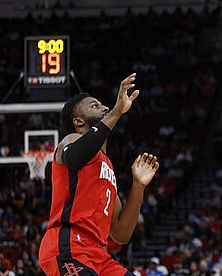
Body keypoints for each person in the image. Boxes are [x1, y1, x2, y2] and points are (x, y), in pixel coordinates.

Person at [38, 73, 161, 276]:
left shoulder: (108, 168)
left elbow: (121, 233)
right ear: (78, 121)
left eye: (104, 106)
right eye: (95, 106)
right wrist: (116, 112)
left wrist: (138, 186)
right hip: (68, 244)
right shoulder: (70, 140)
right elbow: (75, 158)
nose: (104, 108)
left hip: (98, 254)